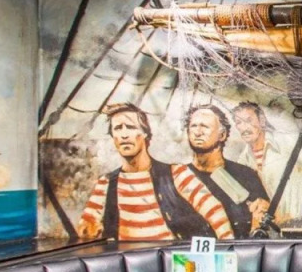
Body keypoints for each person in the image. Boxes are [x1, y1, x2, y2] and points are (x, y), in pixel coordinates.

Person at [78, 103, 232, 241]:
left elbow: (215, 212)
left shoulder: (176, 173)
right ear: (113, 136)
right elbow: (86, 232)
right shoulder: (106, 183)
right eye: (118, 128)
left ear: (145, 133)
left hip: (170, 259)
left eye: (131, 127)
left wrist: (228, 250)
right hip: (127, 260)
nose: (124, 135)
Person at [231, 102, 302, 229]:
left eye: (248, 120)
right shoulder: (242, 161)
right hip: (272, 229)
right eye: (239, 122)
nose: (244, 128)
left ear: (262, 120)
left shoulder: (286, 141)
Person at [184, 104, 270, 238]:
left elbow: (262, 226)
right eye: (193, 126)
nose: (198, 132)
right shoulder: (179, 176)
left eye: (205, 126)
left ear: (222, 135)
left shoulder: (246, 175)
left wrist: (261, 216)